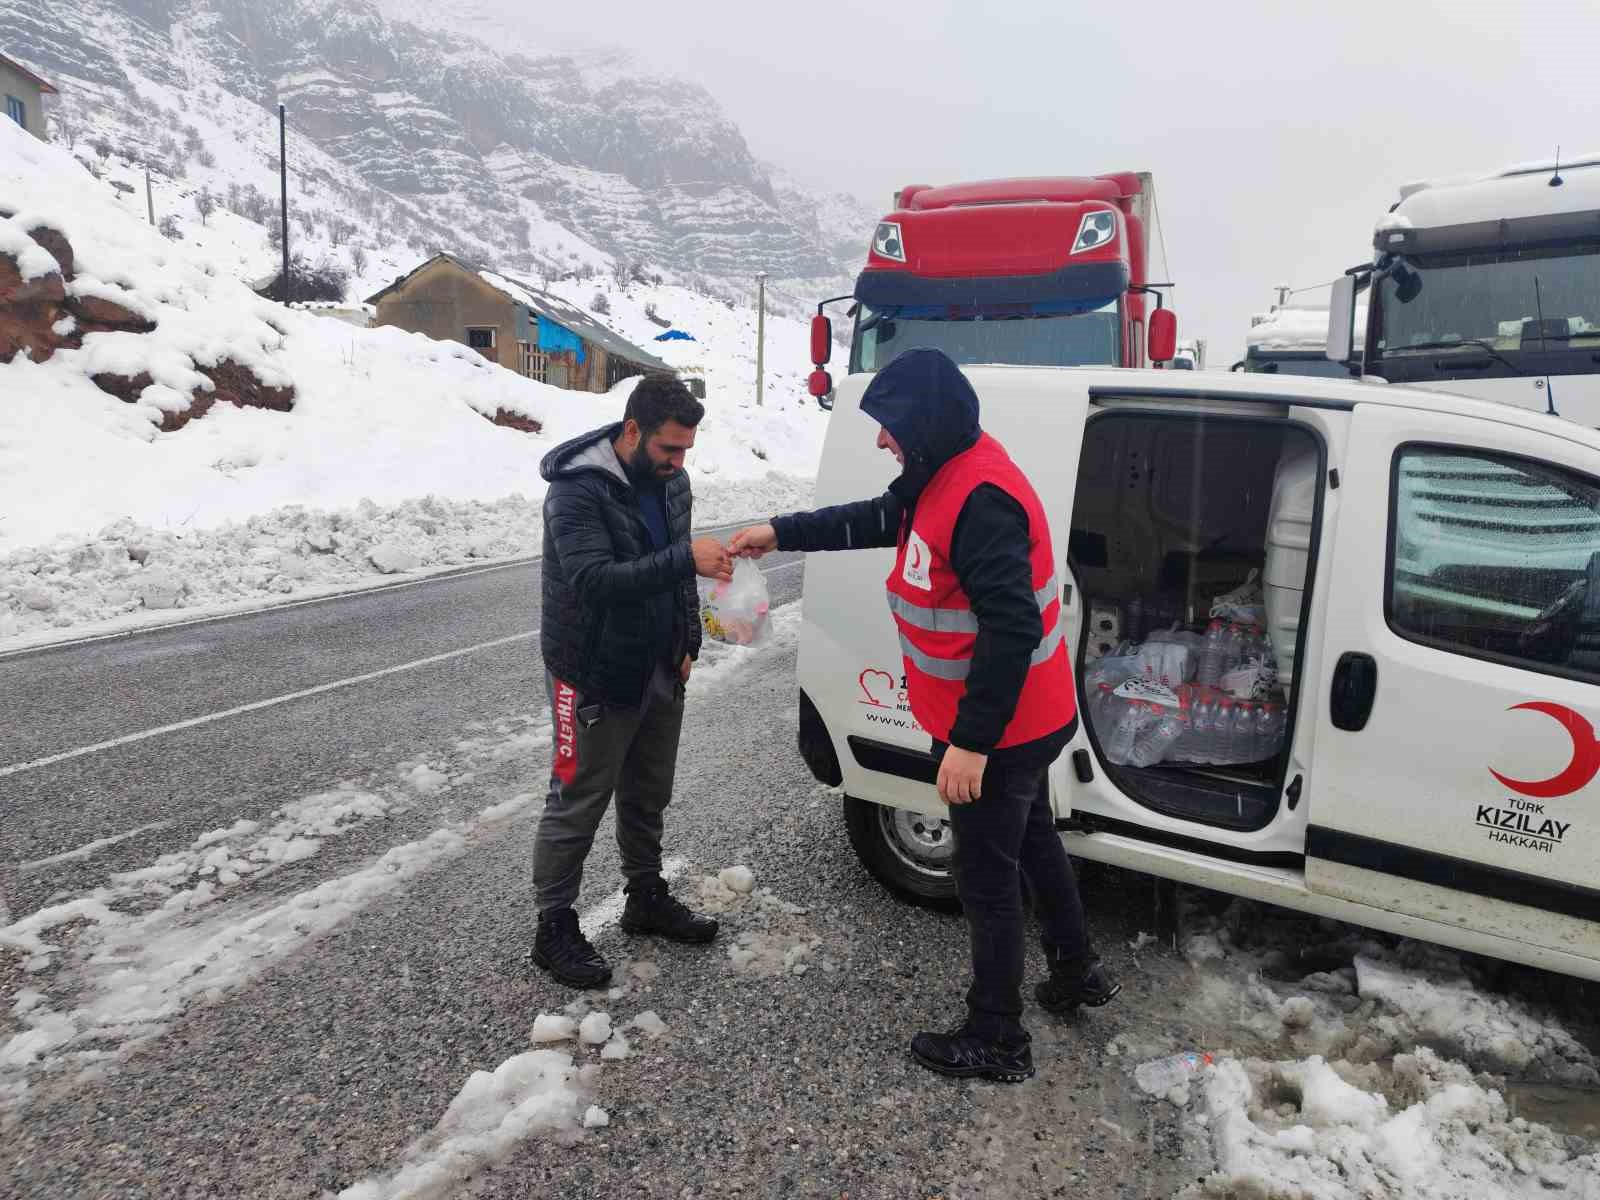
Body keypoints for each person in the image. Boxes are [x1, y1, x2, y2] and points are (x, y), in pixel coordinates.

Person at [731, 348, 1118, 1082]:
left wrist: (970, 744)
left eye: (890, 428)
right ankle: (1077, 972)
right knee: (1034, 843)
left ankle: (998, 1036)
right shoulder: (942, 474)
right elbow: (877, 517)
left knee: (986, 879)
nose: (881, 440)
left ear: (927, 426)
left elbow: (1011, 629)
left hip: (999, 732)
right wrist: (779, 531)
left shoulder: (981, 499)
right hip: (1019, 721)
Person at [531, 374, 731, 989]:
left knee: (649, 791)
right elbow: (595, 579)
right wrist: (685, 559)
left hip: (660, 663)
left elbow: (675, 574)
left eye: (687, 451)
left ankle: (645, 895)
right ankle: (554, 927)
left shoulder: (675, 485)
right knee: (579, 798)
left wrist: (689, 640)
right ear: (634, 430)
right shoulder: (577, 490)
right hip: (593, 669)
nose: (678, 463)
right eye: (670, 449)